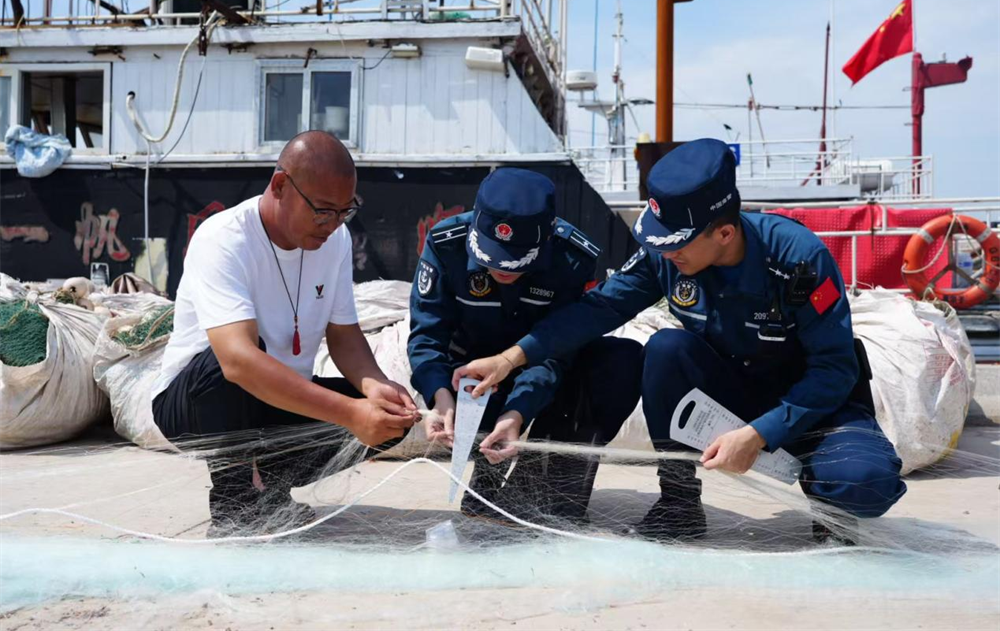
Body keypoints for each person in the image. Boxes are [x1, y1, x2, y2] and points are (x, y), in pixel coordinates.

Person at [454, 139, 906, 542]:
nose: (666, 253)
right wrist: (511, 358)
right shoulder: (668, 256)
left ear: (724, 233)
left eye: (677, 244)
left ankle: (824, 495)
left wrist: (759, 435)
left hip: (810, 404)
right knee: (666, 350)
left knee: (863, 484)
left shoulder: (798, 260)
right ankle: (679, 502)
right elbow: (599, 310)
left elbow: (834, 370)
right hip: (734, 392)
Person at [152, 131, 419, 537]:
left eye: (345, 212)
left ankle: (271, 494)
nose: (332, 225)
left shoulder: (336, 241)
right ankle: (235, 501)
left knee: (388, 420)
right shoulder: (223, 238)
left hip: (277, 398)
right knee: (239, 361)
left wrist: (376, 387)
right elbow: (236, 361)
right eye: (323, 211)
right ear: (280, 186)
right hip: (197, 403)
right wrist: (349, 414)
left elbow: (344, 336)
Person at [408, 167, 642, 524]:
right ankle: (487, 478)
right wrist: (439, 396)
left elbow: (557, 351)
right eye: (490, 256)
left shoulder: (572, 258)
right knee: (468, 383)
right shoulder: (446, 245)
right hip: (469, 389)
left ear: (546, 238)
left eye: (515, 261)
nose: (502, 270)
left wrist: (517, 412)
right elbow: (427, 334)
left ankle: (546, 483)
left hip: (541, 380)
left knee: (619, 361)